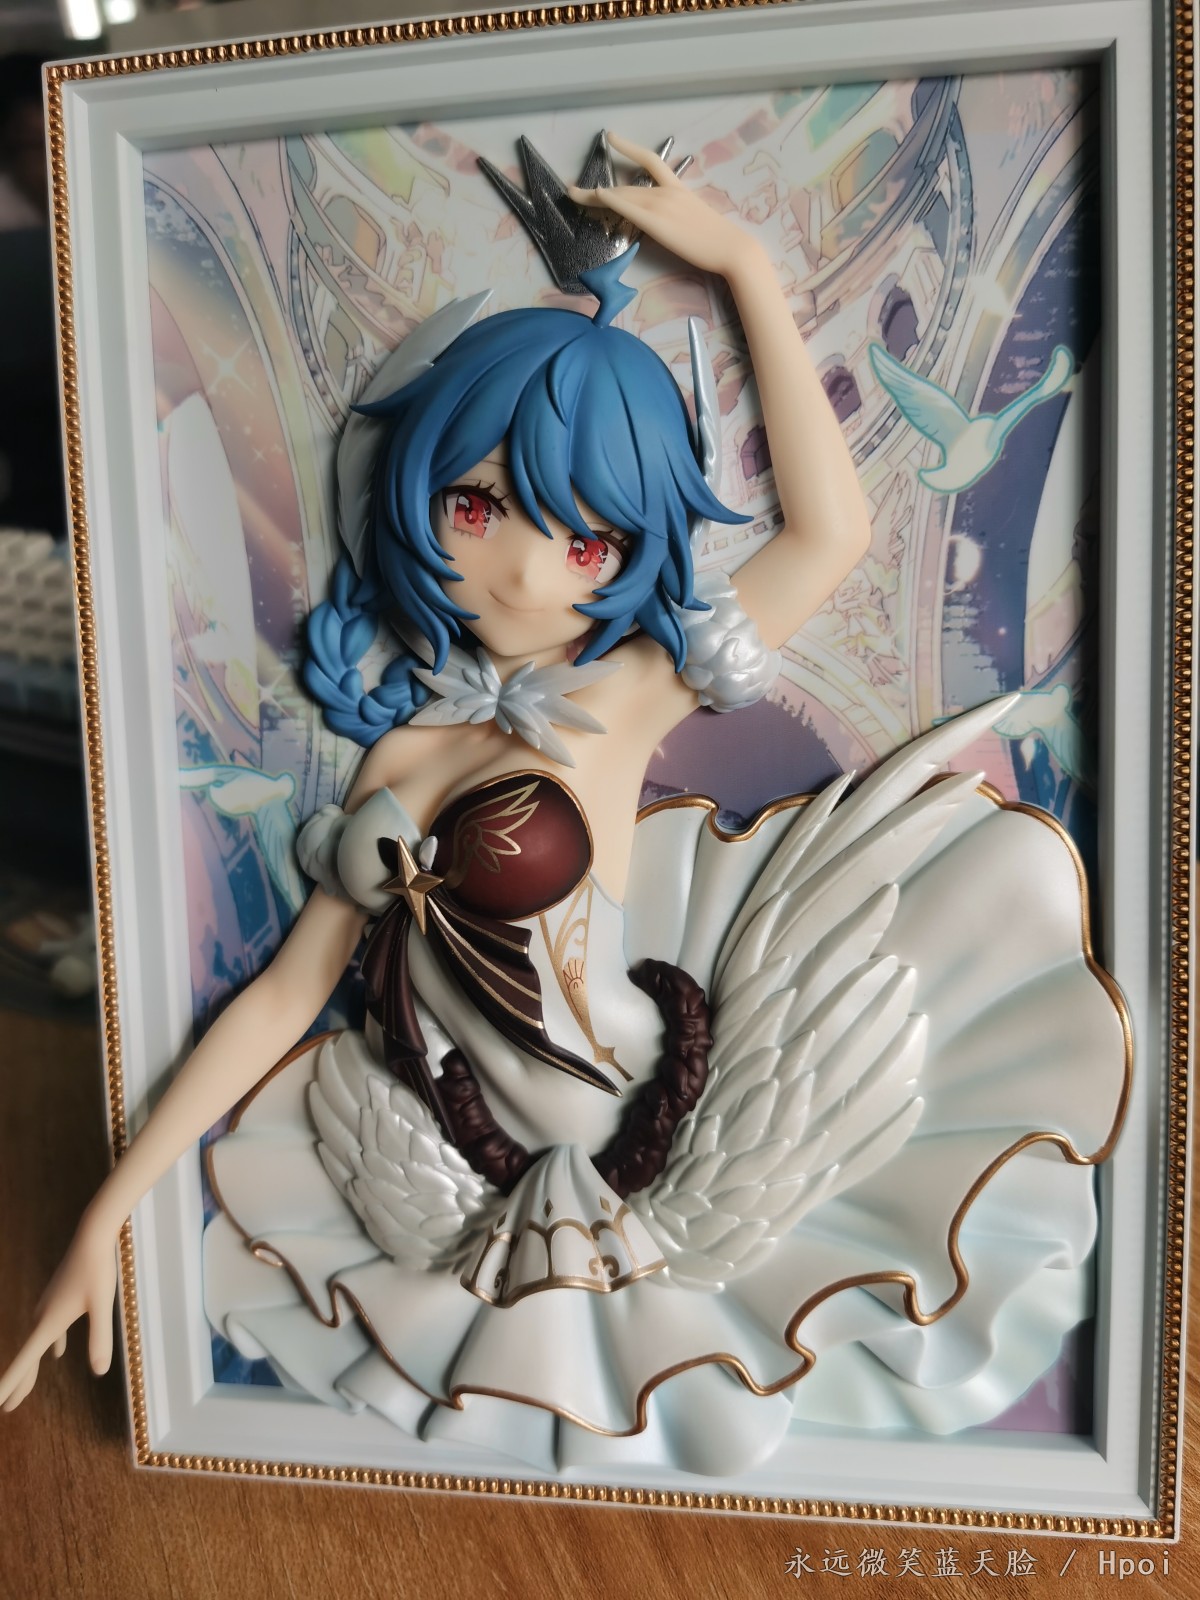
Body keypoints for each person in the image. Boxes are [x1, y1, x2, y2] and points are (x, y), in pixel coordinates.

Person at [0, 138, 1126, 1475]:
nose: (529, 574)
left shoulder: (629, 688)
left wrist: (743, 266)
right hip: (469, 1168)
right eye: (476, 505)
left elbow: (832, 537)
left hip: (669, 1128)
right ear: (420, 493)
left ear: (628, 555)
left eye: (585, 541)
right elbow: (282, 996)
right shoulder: (400, 754)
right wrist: (115, 1206)